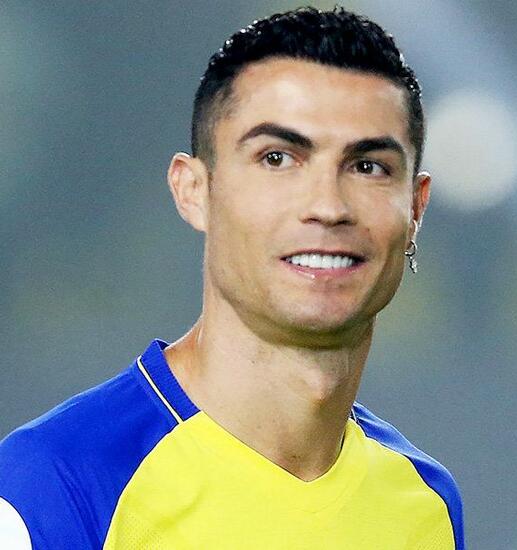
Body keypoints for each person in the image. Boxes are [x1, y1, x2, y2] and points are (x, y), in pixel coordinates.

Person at [0, 7, 464, 549]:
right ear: (194, 190)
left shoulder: (425, 500)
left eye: (368, 167)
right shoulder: (53, 483)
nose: (328, 206)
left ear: (416, 208)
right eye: (277, 158)